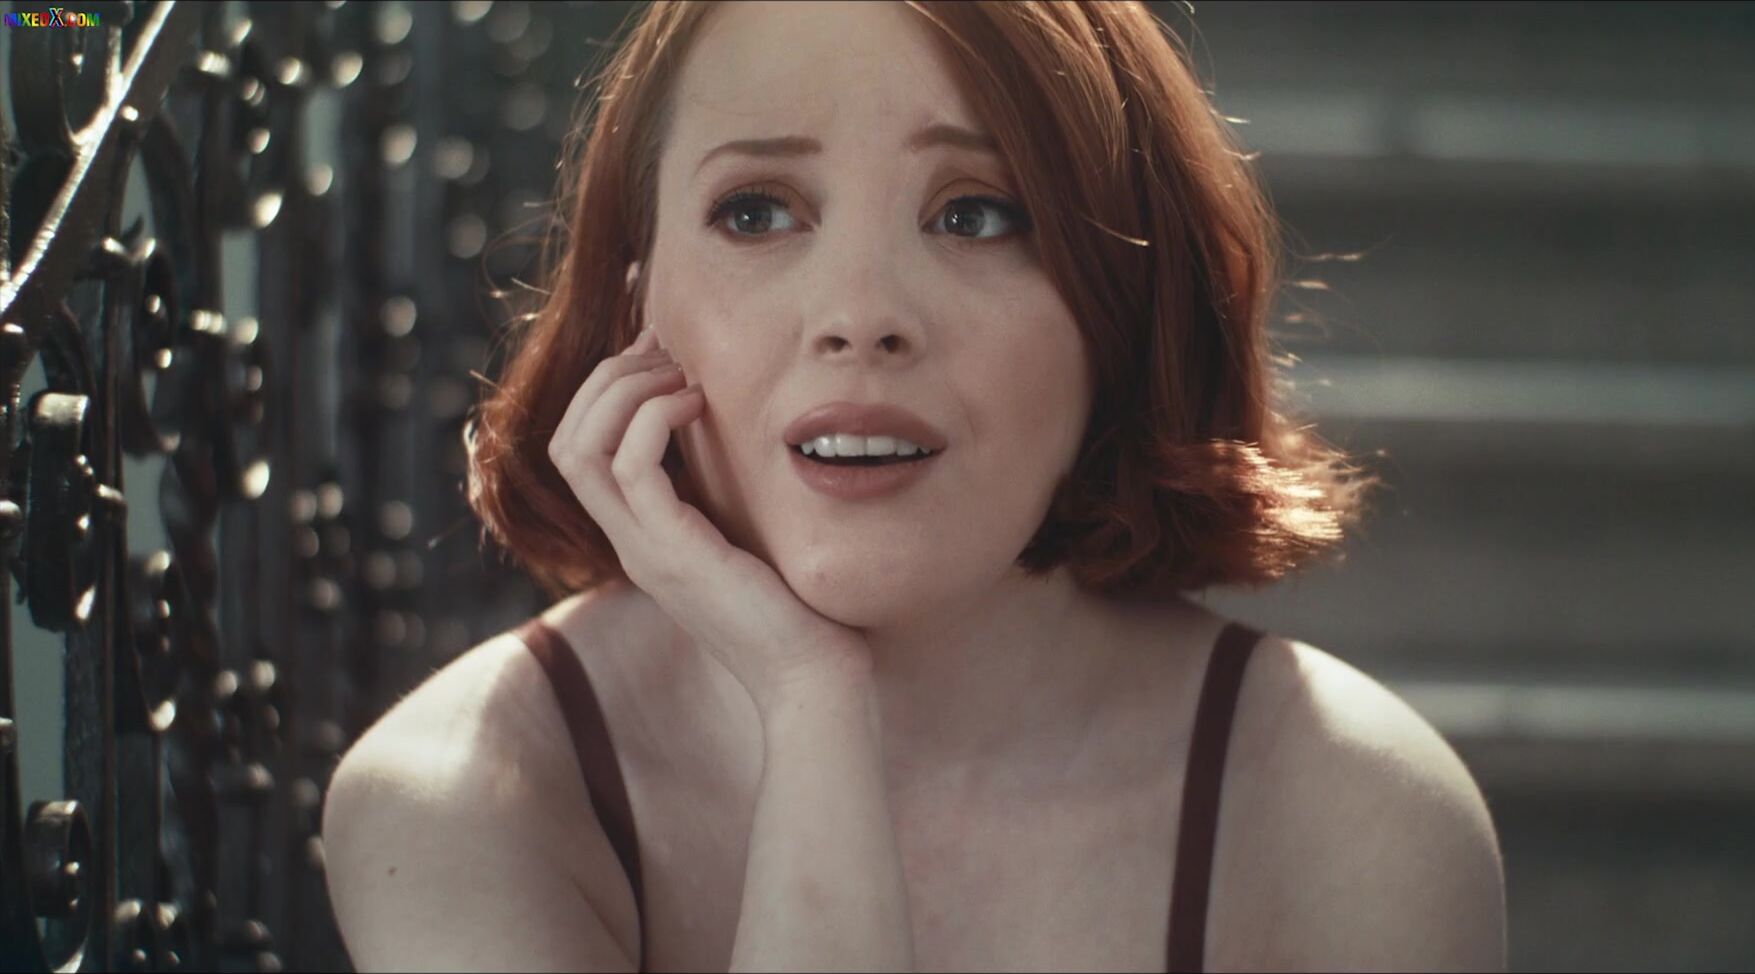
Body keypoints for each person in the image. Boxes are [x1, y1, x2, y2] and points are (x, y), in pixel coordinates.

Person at [321, 1, 1506, 970]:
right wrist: (811, 697)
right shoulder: (464, 795)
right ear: (637, 308)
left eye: (975, 214)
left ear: (1118, 308)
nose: (860, 314)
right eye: (756, 211)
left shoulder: (1351, 812)